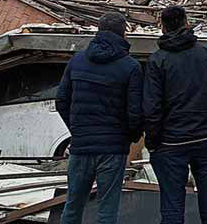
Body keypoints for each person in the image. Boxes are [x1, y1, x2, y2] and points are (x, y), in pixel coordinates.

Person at [144, 6, 207, 224]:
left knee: (172, 209)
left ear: (162, 28)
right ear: (187, 23)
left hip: (170, 144)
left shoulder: (157, 60)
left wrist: (153, 142)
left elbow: (152, 107)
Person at [55, 12, 143, 224]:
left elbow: (61, 101)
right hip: (113, 149)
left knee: (73, 206)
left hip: (82, 146)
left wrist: (78, 130)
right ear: (123, 34)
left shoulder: (77, 60)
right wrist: (129, 137)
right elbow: (135, 113)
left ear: (99, 31)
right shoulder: (131, 67)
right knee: (107, 210)